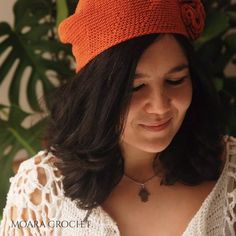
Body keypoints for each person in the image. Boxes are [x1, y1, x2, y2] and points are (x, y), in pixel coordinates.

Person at [0, 0, 236, 235]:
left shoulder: (230, 172)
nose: (160, 106)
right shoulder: (41, 192)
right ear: (96, 93)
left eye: (175, 81)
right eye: (136, 87)